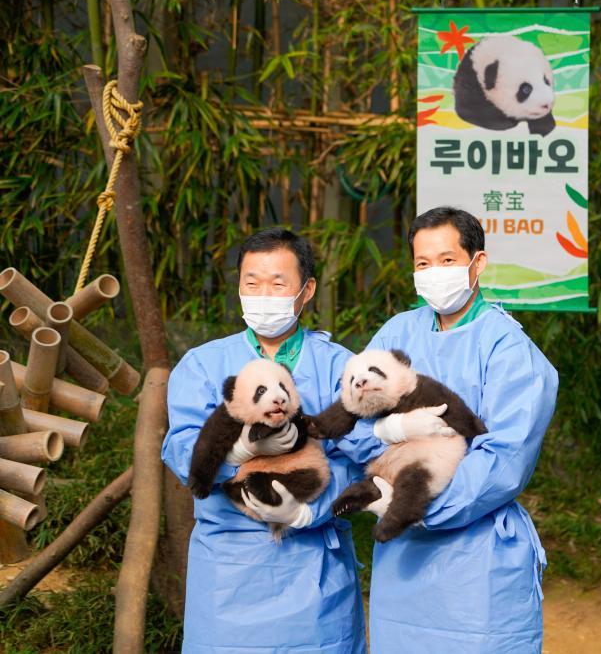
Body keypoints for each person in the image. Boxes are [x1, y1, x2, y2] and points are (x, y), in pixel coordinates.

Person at [161, 228, 445, 653]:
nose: (263, 294)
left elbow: (366, 456)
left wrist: (308, 512)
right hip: (228, 572)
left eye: (278, 284)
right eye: (251, 283)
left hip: (313, 572)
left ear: (307, 289)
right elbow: (180, 448)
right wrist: (238, 451)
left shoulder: (340, 366)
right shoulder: (202, 365)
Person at [348, 206, 559, 653]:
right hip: (402, 562)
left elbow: (504, 458)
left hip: (475, 558)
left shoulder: (508, 348)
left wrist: (414, 503)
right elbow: (352, 419)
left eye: (447, 260)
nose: (434, 273)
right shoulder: (397, 334)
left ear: (477, 263)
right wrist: (389, 434)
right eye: (422, 264)